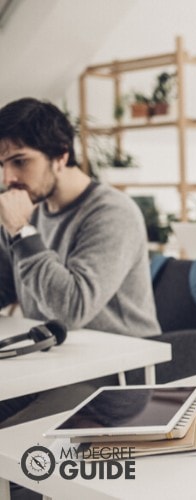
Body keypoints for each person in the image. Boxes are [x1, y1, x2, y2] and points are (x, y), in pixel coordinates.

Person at [0, 97, 160, 425]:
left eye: (19, 162)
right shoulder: (30, 210)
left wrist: (21, 232)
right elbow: (4, 287)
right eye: (2, 165)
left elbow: (71, 308)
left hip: (115, 376)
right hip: (51, 365)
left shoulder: (112, 212)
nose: (8, 179)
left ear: (60, 156)